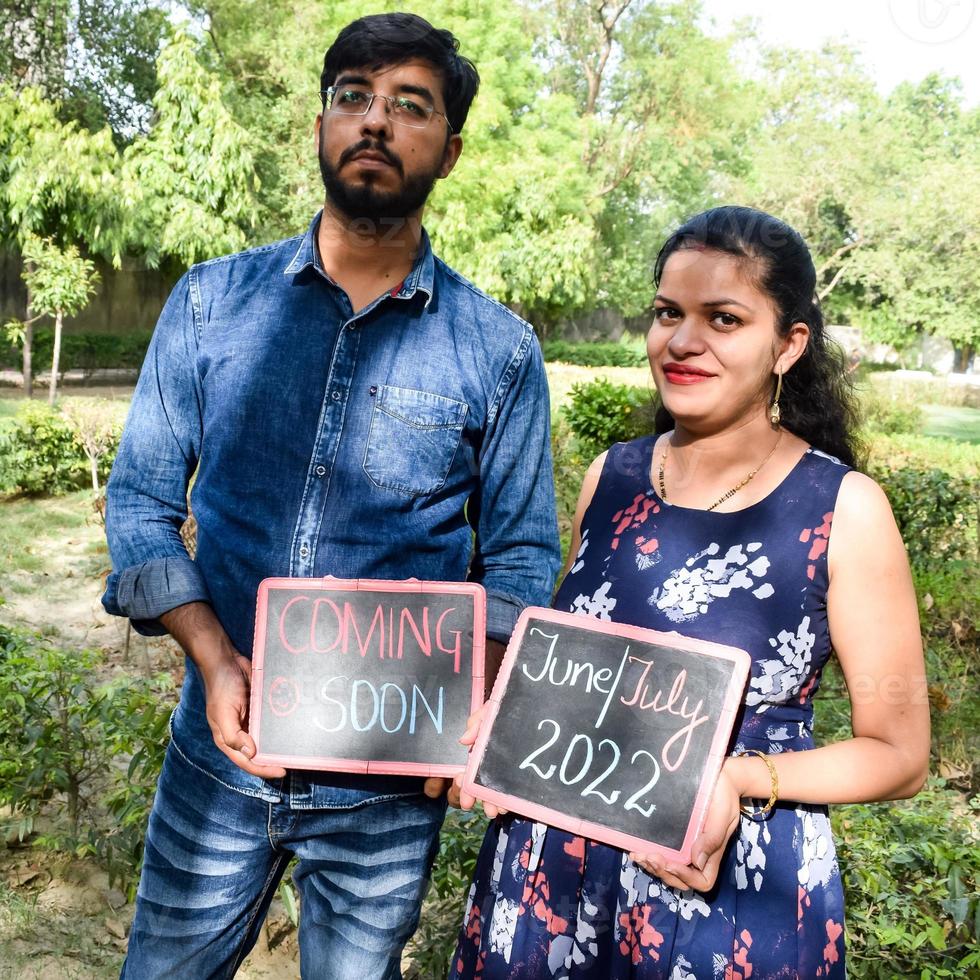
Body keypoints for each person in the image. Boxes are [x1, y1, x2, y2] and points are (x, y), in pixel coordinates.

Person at [102, 12, 560, 978]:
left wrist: (469, 699)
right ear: (320, 122)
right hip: (219, 755)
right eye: (352, 96)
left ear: (452, 148)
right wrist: (212, 656)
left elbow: (520, 557)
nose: (375, 123)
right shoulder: (208, 305)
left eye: (410, 106)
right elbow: (141, 502)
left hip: (390, 790)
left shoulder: (500, 351)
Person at [450, 206, 930, 979]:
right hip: (548, 880)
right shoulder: (614, 476)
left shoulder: (845, 509)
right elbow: (583, 671)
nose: (682, 341)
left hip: (722, 893)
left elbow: (899, 754)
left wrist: (738, 779)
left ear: (789, 345)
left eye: (724, 318)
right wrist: (503, 727)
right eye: (668, 312)